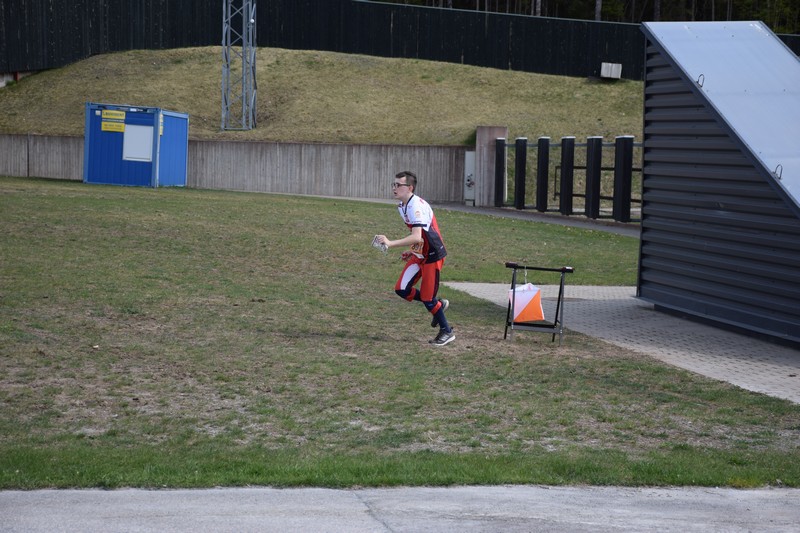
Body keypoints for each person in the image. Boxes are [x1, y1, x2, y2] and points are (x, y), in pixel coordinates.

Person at [375, 171, 454, 346]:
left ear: (410, 188)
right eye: (393, 184)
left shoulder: (414, 206)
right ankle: (438, 304)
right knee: (402, 289)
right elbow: (419, 236)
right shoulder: (402, 206)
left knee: (427, 299)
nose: (394, 188)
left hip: (432, 255)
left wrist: (390, 243)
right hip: (421, 253)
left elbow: (418, 236)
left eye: (398, 185)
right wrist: (413, 251)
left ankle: (447, 331)